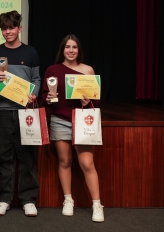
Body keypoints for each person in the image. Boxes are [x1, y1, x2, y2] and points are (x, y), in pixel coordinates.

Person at [42, 34, 104, 222]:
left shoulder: (88, 70)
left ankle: (97, 204)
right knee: (64, 161)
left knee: (87, 164)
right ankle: (68, 200)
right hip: (60, 120)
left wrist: (89, 100)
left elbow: (96, 98)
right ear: (62, 49)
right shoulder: (52, 69)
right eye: (67, 47)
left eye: (74, 47)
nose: (70, 50)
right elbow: (46, 96)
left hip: (83, 121)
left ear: (79, 50)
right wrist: (49, 98)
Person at [0, 10, 41, 217]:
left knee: (27, 156)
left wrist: (33, 95)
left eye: (11, 27)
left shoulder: (31, 52)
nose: (8, 32)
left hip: (25, 112)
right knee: (3, 156)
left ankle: (28, 199)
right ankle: (4, 198)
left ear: (20, 28)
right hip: (1, 111)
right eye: (4, 28)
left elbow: (36, 80)